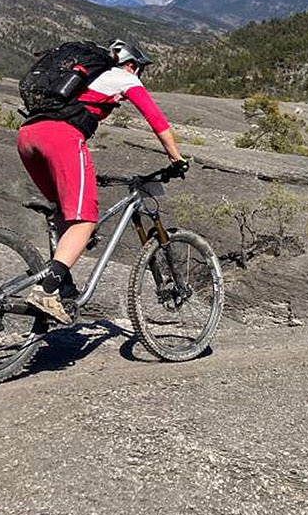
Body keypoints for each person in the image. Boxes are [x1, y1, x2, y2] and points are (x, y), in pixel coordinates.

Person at [17, 39, 186, 323]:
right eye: (139, 69)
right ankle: (46, 291)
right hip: (61, 138)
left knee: (64, 212)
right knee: (85, 221)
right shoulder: (123, 77)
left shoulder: (80, 80)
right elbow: (155, 118)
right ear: (132, 65)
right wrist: (176, 158)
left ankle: (64, 287)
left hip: (28, 136)